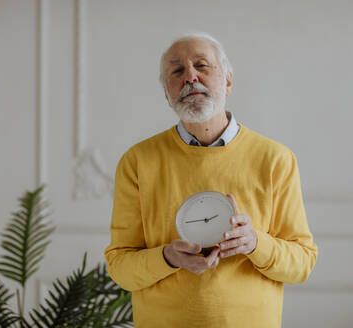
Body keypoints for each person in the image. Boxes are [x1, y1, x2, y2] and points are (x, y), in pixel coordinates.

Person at [104, 32, 318, 328]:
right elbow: (120, 268)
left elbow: (302, 264)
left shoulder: (275, 159)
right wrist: (167, 257)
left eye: (202, 66)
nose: (190, 77)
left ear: (228, 81)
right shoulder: (137, 161)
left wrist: (255, 243)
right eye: (177, 71)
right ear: (167, 93)